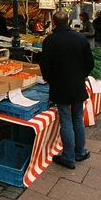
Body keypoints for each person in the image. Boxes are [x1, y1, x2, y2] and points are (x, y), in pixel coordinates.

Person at [40, 11, 94, 170]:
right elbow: (90, 63)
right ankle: (80, 152)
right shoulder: (80, 38)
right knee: (77, 119)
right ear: (69, 21)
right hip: (77, 85)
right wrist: (81, 75)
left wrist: (51, 79)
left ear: (54, 23)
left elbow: (45, 65)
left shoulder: (49, 40)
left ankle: (69, 157)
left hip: (60, 86)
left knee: (66, 121)